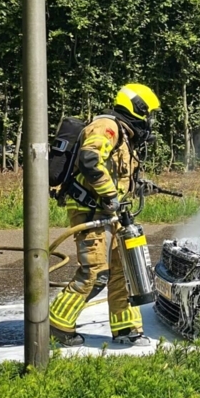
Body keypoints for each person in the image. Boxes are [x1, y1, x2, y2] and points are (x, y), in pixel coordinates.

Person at [48, 83, 160, 347]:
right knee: (96, 272)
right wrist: (109, 195)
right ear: (138, 108)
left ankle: (126, 329)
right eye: (149, 114)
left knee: (123, 269)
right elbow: (89, 159)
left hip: (110, 213)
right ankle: (56, 325)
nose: (150, 121)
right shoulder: (106, 127)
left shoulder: (123, 134)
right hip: (91, 211)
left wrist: (138, 185)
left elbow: (114, 172)